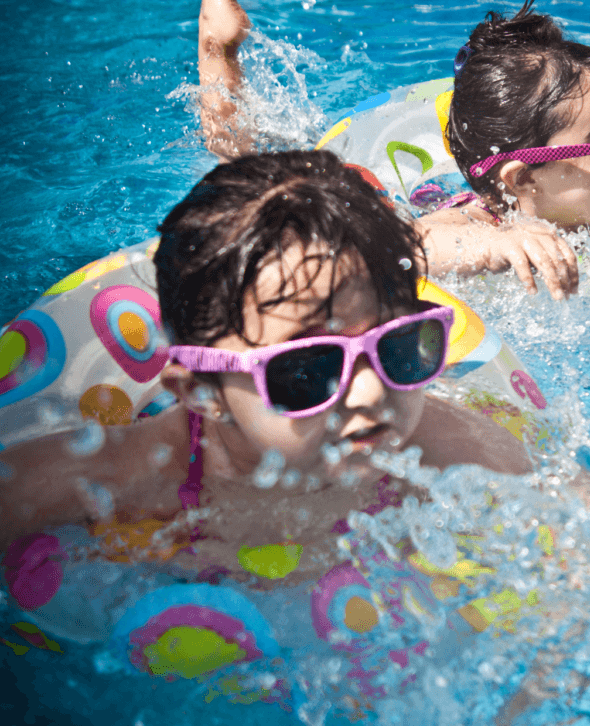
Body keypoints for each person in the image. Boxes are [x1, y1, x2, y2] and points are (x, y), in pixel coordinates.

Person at [0, 150, 532, 570]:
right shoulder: (123, 478)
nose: (371, 394)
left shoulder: (445, 450)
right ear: (199, 392)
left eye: (397, 348)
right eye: (308, 369)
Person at [195, 0, 590, 301]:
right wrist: (495, 242)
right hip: (415, 200)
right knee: (252, 180)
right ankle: (219, 50)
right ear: (521, 181)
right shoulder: (473, 220)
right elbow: (397, 252)